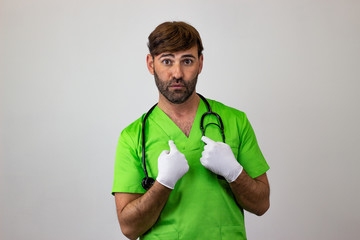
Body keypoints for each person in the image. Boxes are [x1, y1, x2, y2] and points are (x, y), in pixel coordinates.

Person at [112, 21, 270, 240]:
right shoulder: (133, 137)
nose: (177, 73)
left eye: (187, 61)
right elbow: (129, 228)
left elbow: (262, 204)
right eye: (167, 61)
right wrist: (163, 183)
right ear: (151, 64)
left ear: (200, 63)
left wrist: (234, 172)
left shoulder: (235, 121)